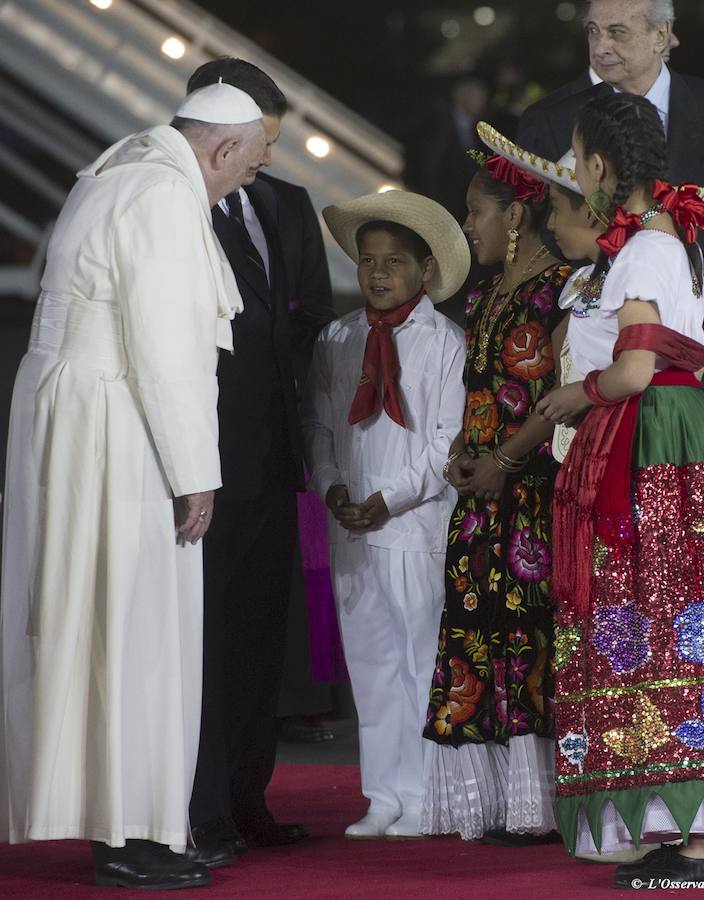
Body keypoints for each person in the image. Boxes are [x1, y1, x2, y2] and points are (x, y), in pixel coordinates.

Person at [0, 83, 266, 890]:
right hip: (116, 422)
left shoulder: (117, 173)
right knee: (136, 623)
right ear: (222, 149)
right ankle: (132, 834)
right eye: (250, 166)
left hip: (83, 412)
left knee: (102, 619)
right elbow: (167, 348)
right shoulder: (161, 195)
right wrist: (196, 474)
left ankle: (128, 824)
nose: (246, 181)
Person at [532, 92, 704, 888]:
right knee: (676, 622)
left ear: (599, 165)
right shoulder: (670, 236)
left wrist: (574, 395)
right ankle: (685, 828)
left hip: (653, 442)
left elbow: (636, 369)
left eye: (579, 162)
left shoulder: (647, 246)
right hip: (675, 437)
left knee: (666, 619)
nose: (577, 176)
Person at [182, 59, 335, 864]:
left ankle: (249, 801)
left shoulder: (286, 204)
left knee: (258, 641)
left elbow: (309, 323)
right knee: (201, 645)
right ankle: (199, 812)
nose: (267, 157)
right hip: (200, 466)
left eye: (273, 141)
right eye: (258, 142)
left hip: (277, 462)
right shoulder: (174, 204)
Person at [517, 0, 704, 439]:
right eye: (593, 31)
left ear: (662, 35)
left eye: (617, 32)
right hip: (598, 361)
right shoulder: (553, 118)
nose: (601, 46)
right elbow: (540, 242)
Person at [302, 190, 469, 838]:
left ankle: (426, 793)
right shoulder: (339, 338)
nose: (377, 273)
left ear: (424, 270)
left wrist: (388, 498)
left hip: (414, 528)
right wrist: (332, 489)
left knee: (420, 662)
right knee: (370, 666)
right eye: (368, 260)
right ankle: (383, 794)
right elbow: (320, 425)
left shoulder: (444, 341)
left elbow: (446, 442)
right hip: (351, 529)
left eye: (393, 261)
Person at [421, 151, 571, 843]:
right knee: (476, 634)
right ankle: (498, 802)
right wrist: (462, 451)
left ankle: (540, 803)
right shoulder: (484, 297)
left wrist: (505, 462)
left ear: (515, 216)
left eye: (475, 211)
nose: (466, 225)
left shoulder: (563, 291)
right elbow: (480, 392)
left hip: (533, 494)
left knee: (528, 635)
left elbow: (559, 396)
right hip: (481, 499)